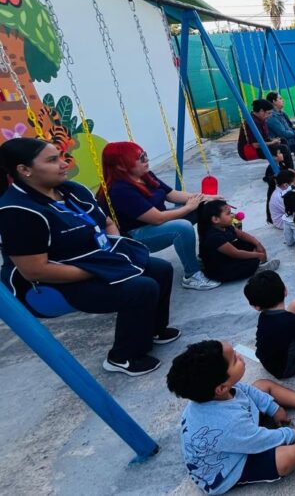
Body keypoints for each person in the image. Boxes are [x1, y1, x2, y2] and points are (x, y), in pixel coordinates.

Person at [0, 138, 177, 376]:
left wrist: (113, 251)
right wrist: (100, 269)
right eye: (53, 160)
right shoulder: (17, 211)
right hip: (52, 281)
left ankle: (153, 330)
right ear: (24, 170)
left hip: (96, 259)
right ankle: (122, 356)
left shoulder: (73, 190)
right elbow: (34, 271)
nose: (64, 164)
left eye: (62, 156)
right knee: (140, 288)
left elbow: (106, 222)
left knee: (160, 269)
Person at [167, 341, 295, 495]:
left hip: (237, 434)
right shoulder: (229, 424)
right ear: (220, 388)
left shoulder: (220, 392)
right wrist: (291, 433)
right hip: (229, 469)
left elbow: (245, 391)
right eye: (235, 360)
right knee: (287, 459)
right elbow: (260, 440)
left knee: (261, 385)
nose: (239, 356)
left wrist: (274, 408)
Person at [99, 141, 220, 291]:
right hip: (136, 235)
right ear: (121, 166)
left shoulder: (145, 175)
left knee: (206, 207)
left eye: (145, 155)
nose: (146, 160)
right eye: (140, 158)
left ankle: (208, 255)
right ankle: (192, 275)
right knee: (182, 227)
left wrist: (206, 198)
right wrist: (189, 207)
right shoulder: (119, 190)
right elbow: (158, 218)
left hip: (156, 224)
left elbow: (172, 195)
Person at [197, 199, 279, 282]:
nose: (232, 215)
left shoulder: (225, 226)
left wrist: (258, 244)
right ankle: (258, 268)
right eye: (228, 214)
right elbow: (235, 253)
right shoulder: (213, 237)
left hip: (226, 257)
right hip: (219, 270)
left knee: (249, 243)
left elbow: (242, 235)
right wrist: (257, 255)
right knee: (250, 262)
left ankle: (256, 262)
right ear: (215, 219)